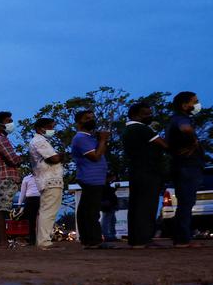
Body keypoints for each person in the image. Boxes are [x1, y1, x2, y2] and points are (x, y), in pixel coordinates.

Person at [121, 102, 167, 248]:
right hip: (148, 171)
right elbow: (164, 145)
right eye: (145, 114)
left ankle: (135, 239)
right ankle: (144, 239)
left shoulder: (127, 130)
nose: (149, 116)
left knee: (136, 205)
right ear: (135, 115)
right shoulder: (142, 129)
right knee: (147, 206)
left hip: (136, 170)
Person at [166, 91, 205, 248]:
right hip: (186, 166)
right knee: (186, 202)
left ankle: (181, 237)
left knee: (185, 202)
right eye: (194, 102)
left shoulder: (175, 119)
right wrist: (194, 142)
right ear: (184, 105)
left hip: (183, 165)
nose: (197, 104)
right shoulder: (181, 119)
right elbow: (186, 129)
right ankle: (182, 239)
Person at [70, 110, 112, 249]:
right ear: (79, 122)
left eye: (92, 117)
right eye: (87, 118)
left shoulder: (88, 137)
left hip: (93, 177)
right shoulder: (81, 138)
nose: (91, 120)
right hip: (91, 178)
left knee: (86, 209)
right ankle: (94, 240)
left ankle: (88, 239)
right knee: (91, 211)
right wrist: (102, 140)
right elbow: (95, 156)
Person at [29, 118, 65, 248]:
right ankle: (44, 241)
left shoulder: (39, 140)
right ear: (40, 128)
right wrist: (61, 155)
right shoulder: (39, 141)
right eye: (50, 127)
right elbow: (53, 158)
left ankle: (43, 240)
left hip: (48, 180)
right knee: (48, 211)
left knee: (46, 211)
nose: (52, 130)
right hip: (50, 180)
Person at [0, 111, 21, 249]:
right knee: (1, 210)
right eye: (8, 121)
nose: (11, 123)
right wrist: (23, 157)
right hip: (6, 178)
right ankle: (3, 241)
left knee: (2, 209)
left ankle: (3, 241)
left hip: (2, 177)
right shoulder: (1, 140)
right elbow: (13, 159)